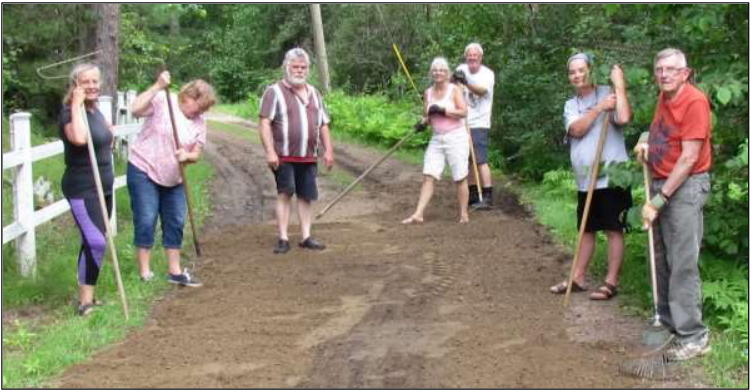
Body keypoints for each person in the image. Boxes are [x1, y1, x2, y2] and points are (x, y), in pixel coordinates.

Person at [634, 48, 712, 360]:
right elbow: (662, 134)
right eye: (659, 69)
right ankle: (666, 322)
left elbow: (690, 156)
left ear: (685, 72)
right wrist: (644, 140)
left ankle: (694, 336)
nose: (664, 74)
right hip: (661, 182)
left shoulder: (694, 101)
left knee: (682, 262)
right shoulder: (665, 98)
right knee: (660, 257)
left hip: (684, 188)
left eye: (671, 69)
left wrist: (658, 199)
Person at [549, 53, 632, 301]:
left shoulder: (609, 92)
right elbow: (576, 129)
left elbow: (625, 118)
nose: (577, 75)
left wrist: (618, 85)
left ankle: (611, 282)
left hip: (613, 175)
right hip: (586, 178)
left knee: (613, 228)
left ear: (590, 70)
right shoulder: (571, 105)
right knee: (586, 228)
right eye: (572, 72)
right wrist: (599, 108)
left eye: (581, 70)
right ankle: (578, 277)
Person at [128, 71, 216, 286]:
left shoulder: (199, 123)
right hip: (144, 169)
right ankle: (145, 272)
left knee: (176, 220)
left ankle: (175, 271)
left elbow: (196, 152)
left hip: (174, 178)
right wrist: (157, 85)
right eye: (200, 105)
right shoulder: (163, 100)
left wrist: (187, 156)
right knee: (147, 218)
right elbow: (135, 109)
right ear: (188, 96)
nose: (200, 111)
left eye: (204, 109)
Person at [259, 48, 334, 254]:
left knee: (306, 196)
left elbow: (323, 125)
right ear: (286, 67)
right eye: (295, 67)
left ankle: (306, 237)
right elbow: (264, 123)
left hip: (309, 156)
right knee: (285, 192)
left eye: (303, 67)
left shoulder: (315, 93)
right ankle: (283, 238)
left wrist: (329, 151)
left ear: (308, 69)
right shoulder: (273, 92)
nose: (299, 71)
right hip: (283, 155)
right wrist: (270, 152)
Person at [59, 63, 114, 316]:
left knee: (94, 243)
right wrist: (76, 104)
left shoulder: (96, 111)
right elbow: (80, 139)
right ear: (75, 85)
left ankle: (88, 297)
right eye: (85, 82)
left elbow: (107, 138)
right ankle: (84, 303)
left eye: (95, 81)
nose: (92, 86)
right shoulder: (69, 113)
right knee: (96, 241)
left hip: (103, 185)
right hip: (82, 187)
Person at [402, 57, 470, 224]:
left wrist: (444, 110)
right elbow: (428, 116)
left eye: (441, 70)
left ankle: (464, 214)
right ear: (431, 72)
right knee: (428, 175)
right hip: (437, 138)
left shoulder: (454, 90)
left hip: (456, 136)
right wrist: (422, 123)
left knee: (460, 177)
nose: (438, 72)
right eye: (435, 70)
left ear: (447, 73)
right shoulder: (428, 92)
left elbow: (463, 112)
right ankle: (418, 213)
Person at [453, 43, 495, 210]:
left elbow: (483, 91)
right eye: (469, 55)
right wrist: (453, 81)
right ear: (466, 56)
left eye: (475, 55)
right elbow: (454, 88)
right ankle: (472, 194)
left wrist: (467, 82)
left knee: (480, 160)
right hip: (462, 122)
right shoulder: (461, 68)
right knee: (467, 160)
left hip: (479, 122)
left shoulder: (488, 74)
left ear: (480, 57)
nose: (472, 57)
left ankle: (487, 196)